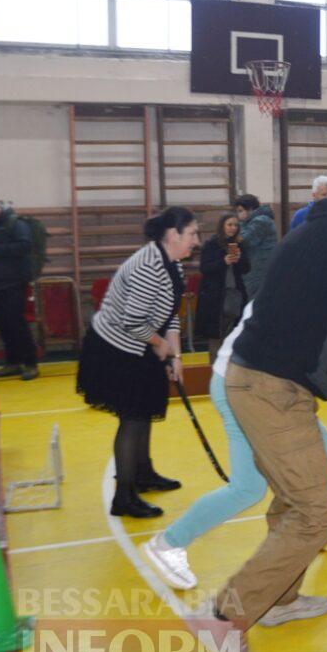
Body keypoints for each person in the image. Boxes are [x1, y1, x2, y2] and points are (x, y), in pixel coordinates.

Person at [206, 164, 327, 652]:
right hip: (269, 388)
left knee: (295, 501)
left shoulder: (315, 224)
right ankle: (225, 619)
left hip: (264, 380)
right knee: (318, 512)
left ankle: (280, 600)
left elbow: (317, 323)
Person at [142, 303, 327, 592]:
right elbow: (316, 356)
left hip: (262, 386)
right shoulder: (302, 286)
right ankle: (167, 544)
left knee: (318, 439)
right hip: (244, 387)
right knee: (247, 489)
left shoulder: (310, 280)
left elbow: (326, 351)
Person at [77, 207, 199, 518]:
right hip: (115, 349)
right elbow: (133, 322)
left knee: (144, 412)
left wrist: (175, 353)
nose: (196, 241)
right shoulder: (149, 266)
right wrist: (160, 345)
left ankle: (143, 475)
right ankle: (124, 496)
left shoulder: (173, 263)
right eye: (192, 234)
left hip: (141, 344)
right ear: (173, 235)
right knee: (132, 418)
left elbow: (170, 312)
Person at [0, 194, 38, 381]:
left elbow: (24, 246)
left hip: (13, 283)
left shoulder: (15, 223)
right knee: (3, 325)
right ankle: (13, 362)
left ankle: (31, 363)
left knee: (17, 324)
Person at [195, 212, 249, 363]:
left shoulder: (239, 244)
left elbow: (246, 268)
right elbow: (205, 268)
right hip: (216, 297)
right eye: (229, 224)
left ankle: (228, 368)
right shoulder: (211, 245)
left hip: (235, 294)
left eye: (235, 225)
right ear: (222, 226)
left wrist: (239, 259)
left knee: (233, 333)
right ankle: (215, 370)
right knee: (216, 336)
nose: (233, 228)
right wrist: (223, 261)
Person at [233, 193, 278, 298]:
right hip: (257, 266)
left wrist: (237, 227)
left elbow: (245, 240)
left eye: (240, 211)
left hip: (259, 268)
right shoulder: (256, 221)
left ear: (250, 209)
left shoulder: (261, 221)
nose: (238, 215)